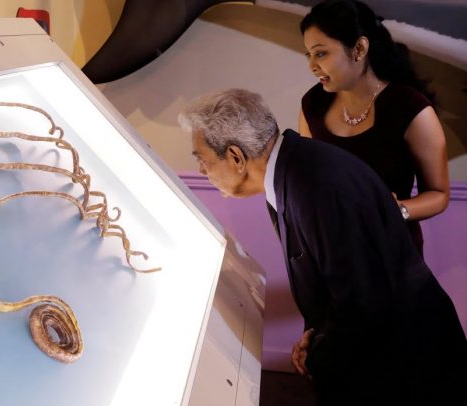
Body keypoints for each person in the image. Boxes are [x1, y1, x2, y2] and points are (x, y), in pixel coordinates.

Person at [179, 88, 466, 405]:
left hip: (409, 366)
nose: (202, 171)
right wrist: (315, 334)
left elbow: (362, 303)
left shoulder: (316, 185)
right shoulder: (296, 167)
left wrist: (317, 353)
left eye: (202, 159)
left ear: (236, 157)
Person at [298, 0, 449, 255]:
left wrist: (398, 210)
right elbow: (310, 179)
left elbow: (439, 194)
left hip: (391, 257)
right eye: (308, 55)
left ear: (359, 48)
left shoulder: (411, 108)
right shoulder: (313, 104)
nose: (312, 66)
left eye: (321, 53)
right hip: (331, 254)